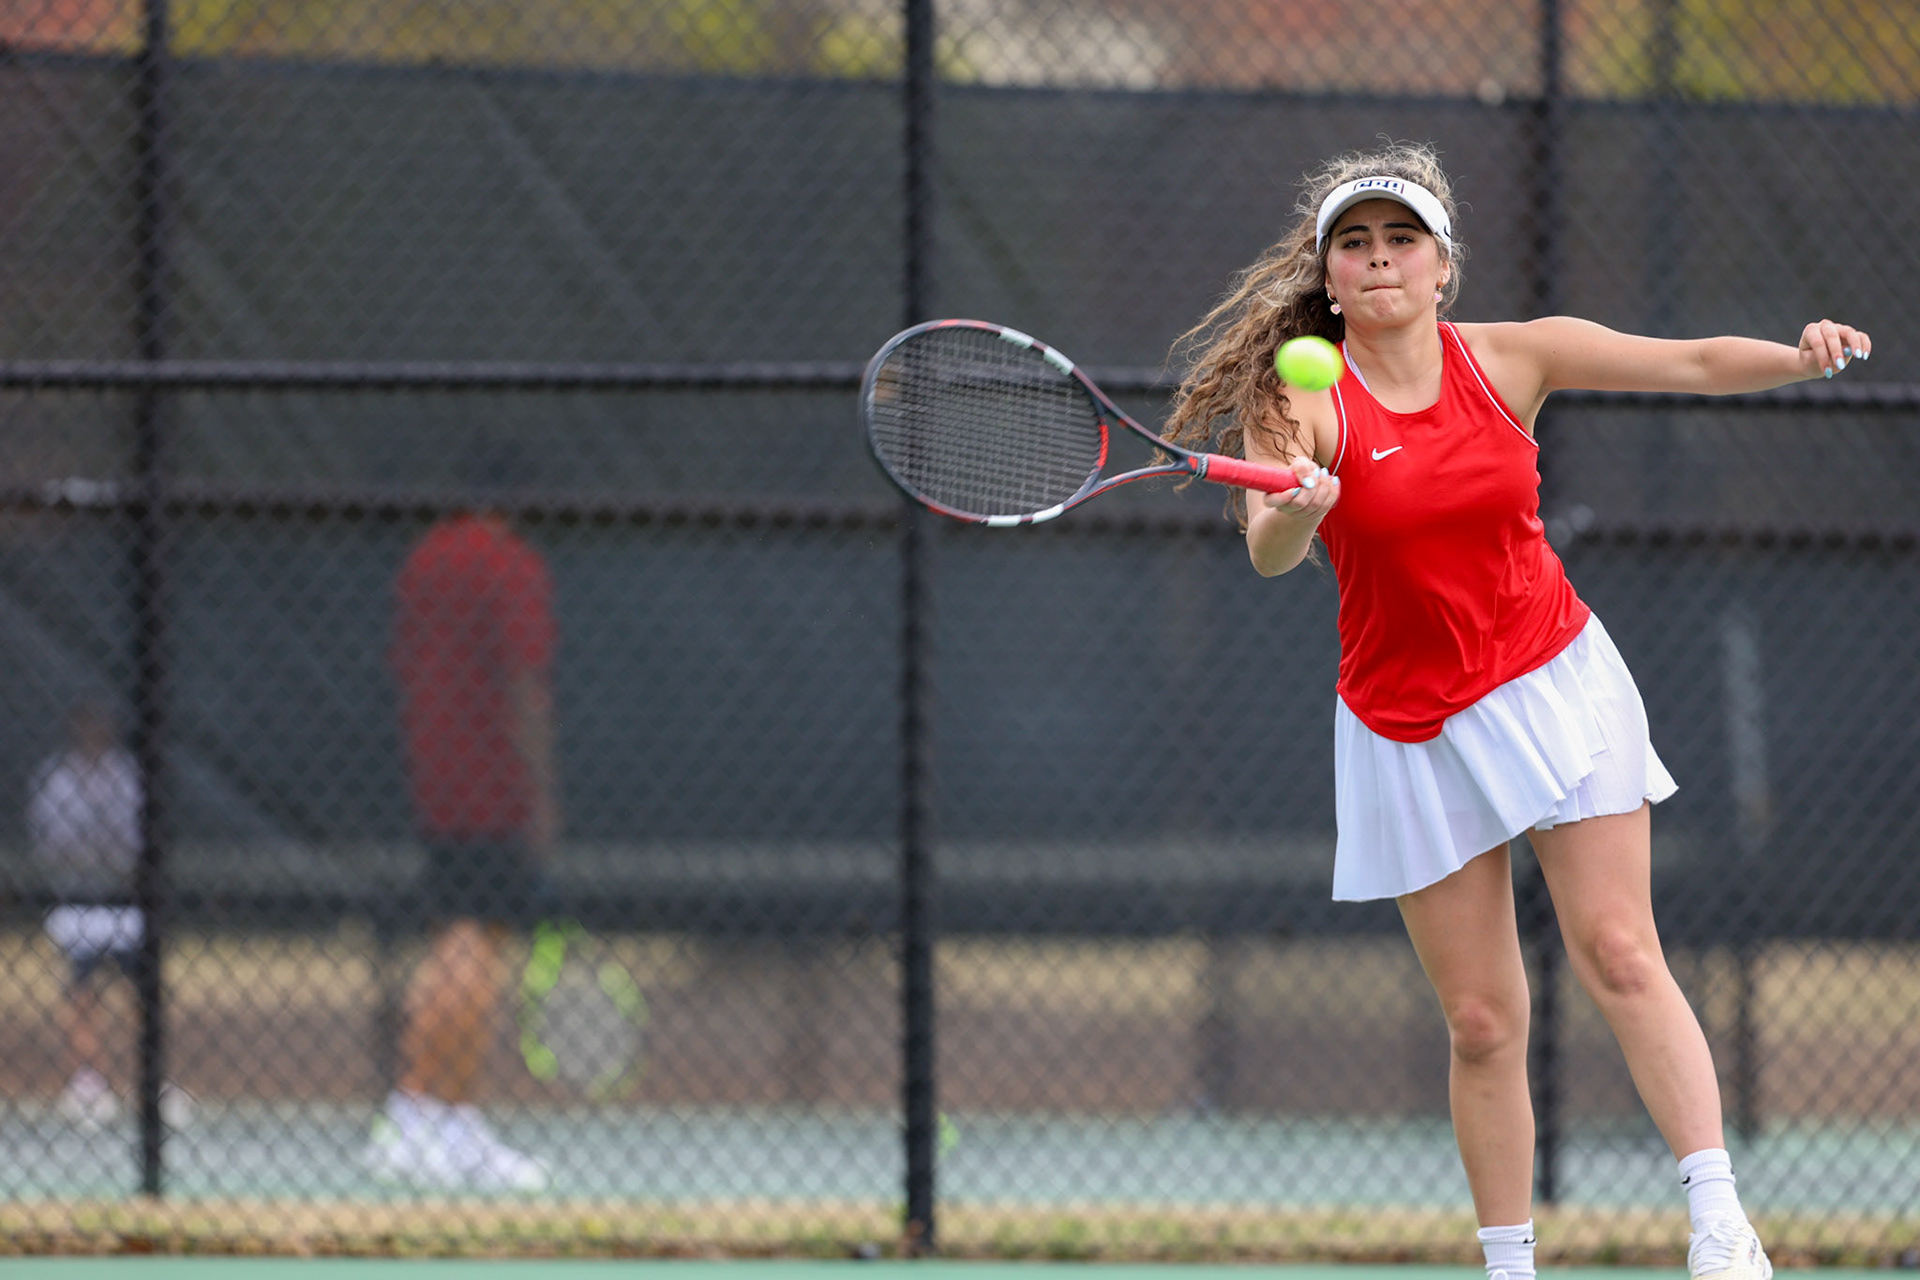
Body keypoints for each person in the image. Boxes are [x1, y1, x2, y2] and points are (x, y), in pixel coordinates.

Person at [1161, 142, 1871, 1280]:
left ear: (1442, 266)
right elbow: (1268, 552)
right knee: (1485, 1021)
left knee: (1620, 950)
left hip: (1550, 679)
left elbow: (1689, 363)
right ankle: (1509, 1266)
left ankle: (1720, 1224)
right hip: (1405, 724)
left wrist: (1799, 356)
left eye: (1402, 240)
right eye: (1357, 242)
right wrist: (1300, 505)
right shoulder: (1297, 395)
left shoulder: (1511, 357)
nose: (1380, 259)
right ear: (1327, 275)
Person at [364, 492, 560, 1194]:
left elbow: (404, 665)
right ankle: (422, 1116)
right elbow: (525, 684)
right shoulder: (510, 563)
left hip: (435, 781)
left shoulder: (423, 560)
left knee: (456, 936)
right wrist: (540, 793)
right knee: (475, 943)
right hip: (493, 787)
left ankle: (438, 1120)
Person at [28, 700, 192, 1131]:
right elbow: (52, 842)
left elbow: (140, 837)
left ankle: (152, 1082)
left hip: (125, 900)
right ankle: (88, 1084)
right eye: (87, 727)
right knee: (82, 991)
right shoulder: (58, 781)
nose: (95, 735)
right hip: (78, 898)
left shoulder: (128, 776)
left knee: (143, 991)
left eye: (101, 726)